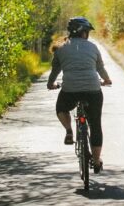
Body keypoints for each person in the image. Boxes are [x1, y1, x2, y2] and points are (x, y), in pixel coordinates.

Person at [47, 16, 112, 171]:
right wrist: (107, 80)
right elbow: (100, 68)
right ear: (83, 33)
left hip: (70, 90)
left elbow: (55, 71)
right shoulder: (93, 47)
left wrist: (51, 84)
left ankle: (69, 130)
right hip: (93, 90)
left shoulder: (61, 48)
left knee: (61, 108)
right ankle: (96, 161)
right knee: (95, 125)